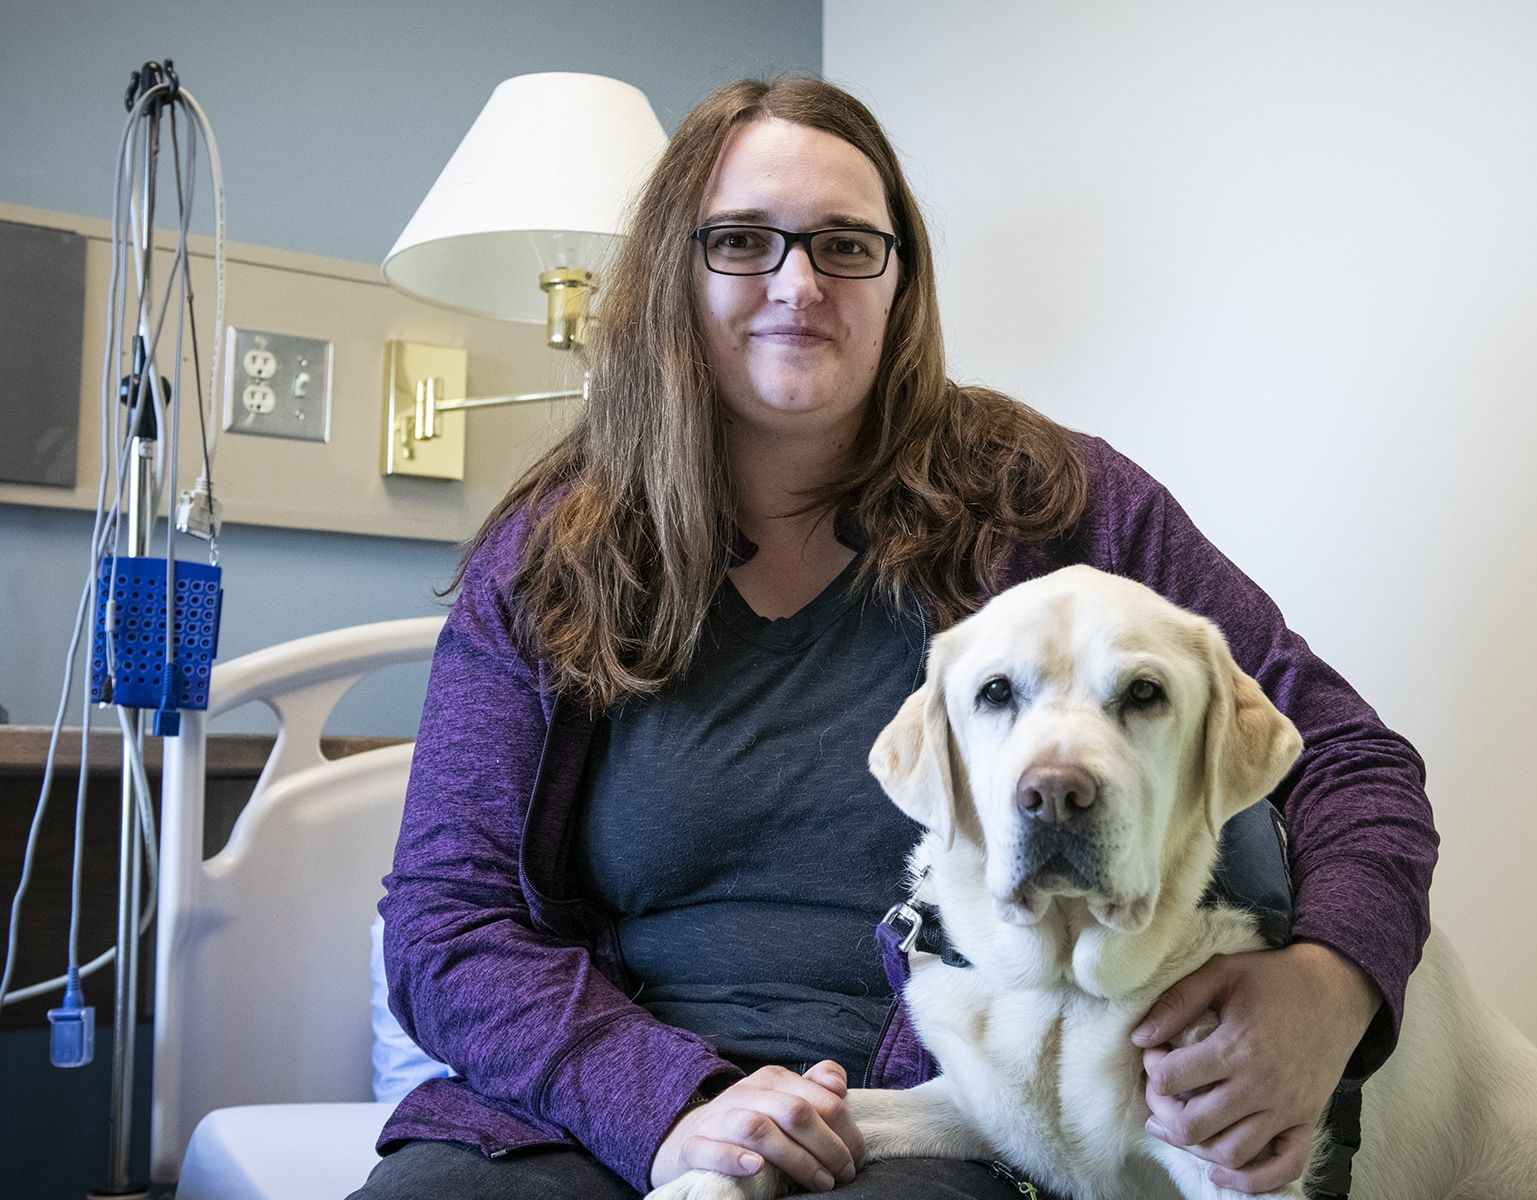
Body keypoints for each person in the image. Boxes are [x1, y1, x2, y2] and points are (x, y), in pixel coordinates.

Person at [353, 76, 1437, 1200]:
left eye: (845, 245)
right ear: (673, 271)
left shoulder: (1058, 500)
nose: (799, 283)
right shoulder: (553, 554)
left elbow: (1352, 761)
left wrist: (1331, 986)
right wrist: (668, 1104)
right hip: (598, 1107)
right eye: (741, 240)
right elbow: (447, 920)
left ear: (900, 281)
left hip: (933, 1115)